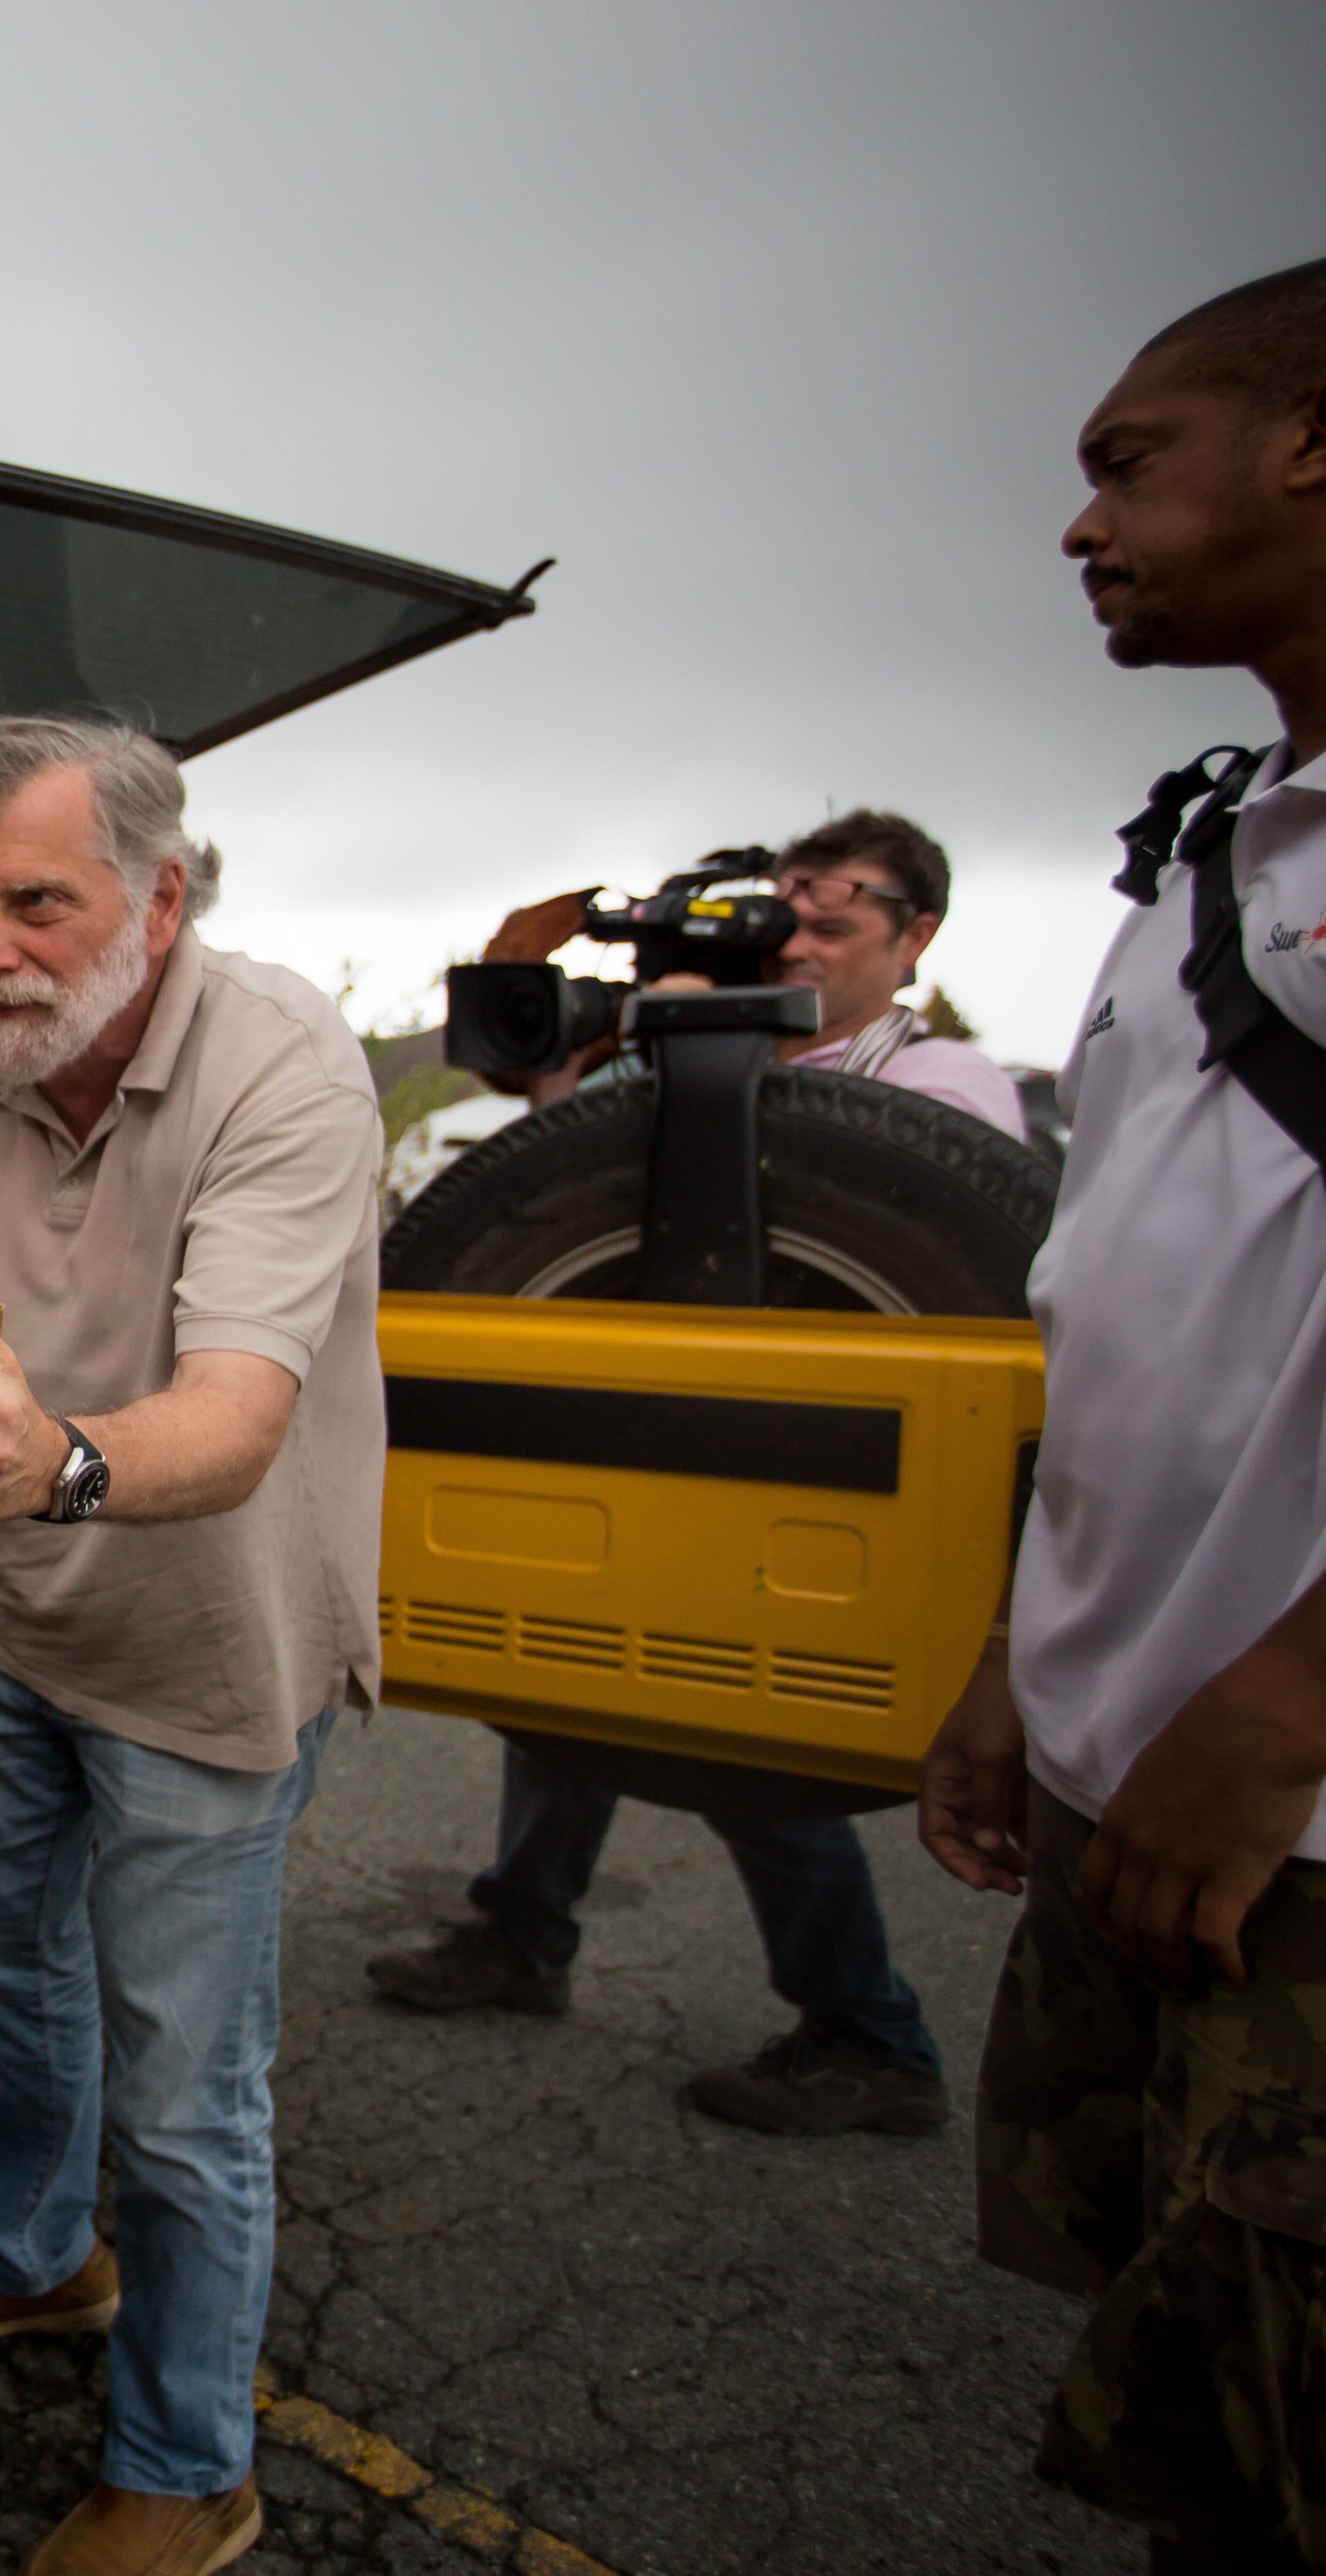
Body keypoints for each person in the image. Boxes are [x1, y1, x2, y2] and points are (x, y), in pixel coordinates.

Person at [0, 714, 385, 2576]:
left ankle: (191, 2465)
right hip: (1, 1615)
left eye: (37, 903)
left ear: (162, 896)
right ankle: (39, 2266)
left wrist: (62, 1460)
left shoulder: (284, 1067)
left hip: (212, 1651)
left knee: (187, 2083)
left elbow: (238, 1416)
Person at [921, 256, 1326, 2575]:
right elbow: (1130, 1310)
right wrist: (1030, 1652)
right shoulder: (1206, 857)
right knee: (1184, 2385)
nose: (1083, 525)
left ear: (1315, 436)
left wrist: (1285, 1701)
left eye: (1125, 463)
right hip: (1128, 1754)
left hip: (1288, 1805)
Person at [366, 810, 1028, 2137]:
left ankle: (871, 2035)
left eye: (841, 917)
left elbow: (936, 1217)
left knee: (741, 1744)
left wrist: (756, 1064)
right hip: (640, 1437)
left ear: (917, 938)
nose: (805, 934)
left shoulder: (947, 1084)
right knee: (555, 1681)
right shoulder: (680, 1064)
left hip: (823, 1482)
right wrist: (594, 1063)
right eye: (788, 911)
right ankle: (524, 1933)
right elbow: (552, 1192)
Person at [477, 808, 1027, 1132]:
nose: (792, 950)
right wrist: (562, 1068)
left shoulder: (943, 1079)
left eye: (830, 932)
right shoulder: (648, 1062)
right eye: (783, 927)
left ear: (914, 938)